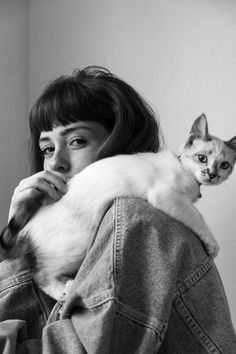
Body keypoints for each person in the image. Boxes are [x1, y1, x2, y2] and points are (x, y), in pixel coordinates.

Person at [0, 66, 235, 354]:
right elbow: (38, 326)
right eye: (47, 148)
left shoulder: (136, 221)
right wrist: (19, 244)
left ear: (123, 143)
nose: (55, 163)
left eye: (77, 141)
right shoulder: (87, 242)